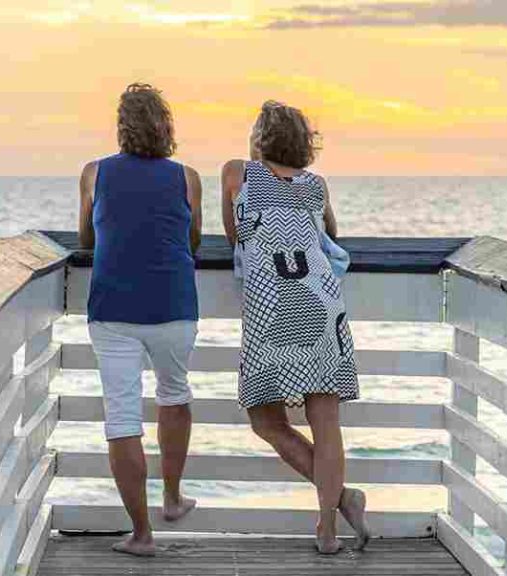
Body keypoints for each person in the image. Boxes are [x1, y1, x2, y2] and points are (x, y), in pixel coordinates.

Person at [220, 101, 369, 554]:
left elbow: (235, 235)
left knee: (265, 420)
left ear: (259, 138)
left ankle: (343, 500)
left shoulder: (237, 172)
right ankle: (328, 525)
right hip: (322, 304)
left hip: (271, 308)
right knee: (326, 422)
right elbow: (331, 235)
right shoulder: (316, 185)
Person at [78, 83, 203, 557]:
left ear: (121, 126)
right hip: (173, 304)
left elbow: (86, 238)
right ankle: (172, 498)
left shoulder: (94, 173)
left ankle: (142, 533)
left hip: (113, 308)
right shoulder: (187, 177)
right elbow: (191, 242)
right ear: (165, 127)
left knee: (123, 418)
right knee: (175, 393)